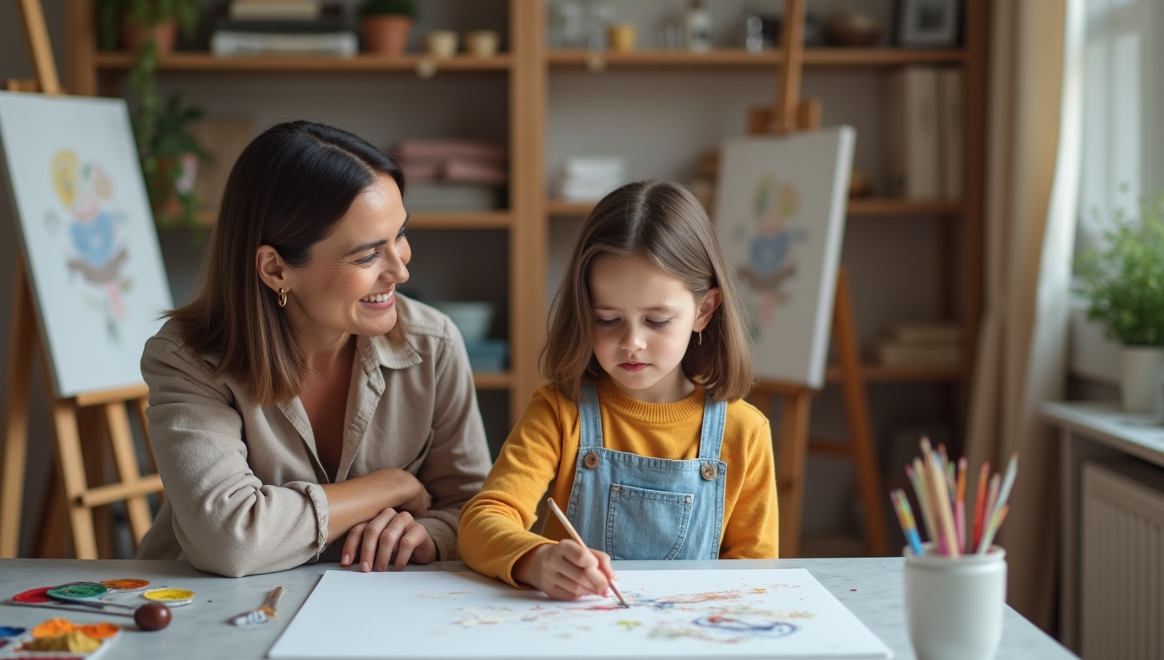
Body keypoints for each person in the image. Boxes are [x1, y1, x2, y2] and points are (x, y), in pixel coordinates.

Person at [136, 120, 492, 577]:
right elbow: (229, 540)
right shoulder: (186, 359)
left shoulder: (434, 344)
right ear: (276, 270)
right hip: (202, 607)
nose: (400, 271)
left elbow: (474, 508)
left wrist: (430, 535)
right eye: (367, 255)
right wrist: (390, 486)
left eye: (400, 235)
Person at [458, 180, 778, 600]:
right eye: (607, 319)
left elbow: (755, 575)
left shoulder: (745, 432)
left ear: (704, 310)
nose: (632, 343)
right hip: (573, 629)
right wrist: (536, 560)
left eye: (657, 321)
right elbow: (482, 521)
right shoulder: (559, 411)